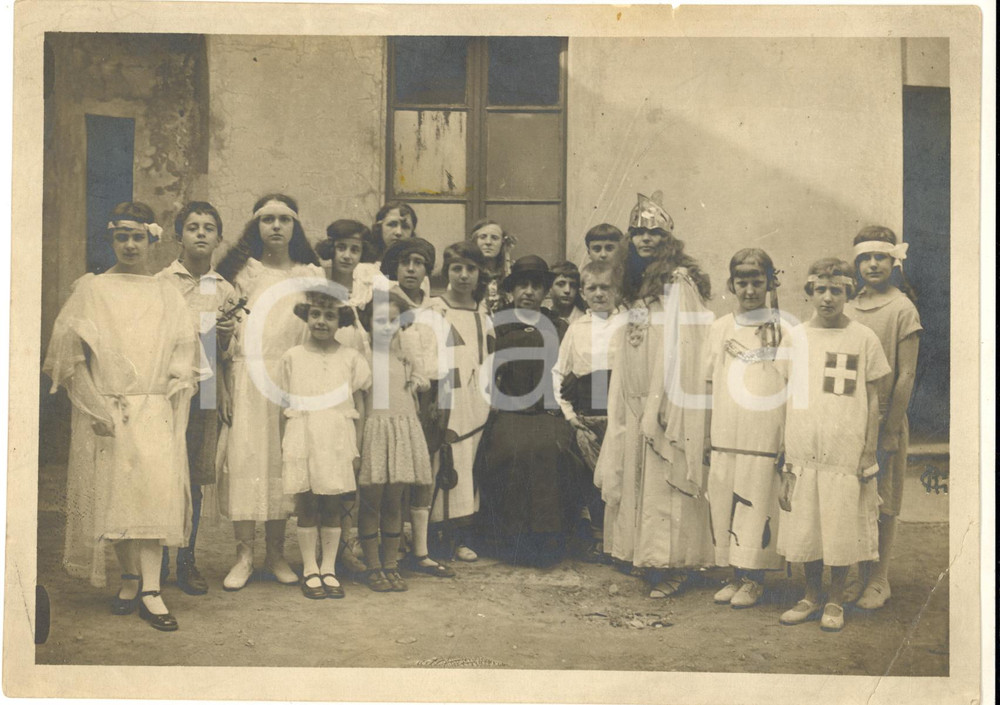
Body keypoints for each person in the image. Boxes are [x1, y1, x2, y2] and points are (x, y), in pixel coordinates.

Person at [43, 201, 199, 631]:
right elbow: (69, 357)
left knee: (152, 494)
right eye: (121, 237)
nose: (130, 245)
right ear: (111, 240)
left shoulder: (166, 293)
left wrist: (173, 384)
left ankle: (152, 588)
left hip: (153, 407)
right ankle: (129, 578)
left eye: (138, 237)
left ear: (152, 240)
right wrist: (93, 405)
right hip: (108, 407)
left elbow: (185, 349)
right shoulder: (92, 290)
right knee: (117, 497)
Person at [594, 192, 715, 598]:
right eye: (638, 233)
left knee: (667, 475)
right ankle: (647, 557)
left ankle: (678, 564)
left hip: (665, 396)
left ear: (668, 239)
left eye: (654, 233)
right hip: (632, 395)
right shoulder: (632, 284)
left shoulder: (678, 281)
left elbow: (687, 345)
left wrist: (667, 400)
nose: (646, 239)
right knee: (636, 475)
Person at [215, 194, 324, 591]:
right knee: (245, 463)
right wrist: (223, 385)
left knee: (282, 464)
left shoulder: (310, 273)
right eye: (268, 220)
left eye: (284, 220)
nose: (276, 227)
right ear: (256, 226)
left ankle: (276, 553)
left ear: (295, 227)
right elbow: (223, 333)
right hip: (247, 378)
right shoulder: (243, 273)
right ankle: (244, 553)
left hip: (290, 380)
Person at [776, 258, 890, 632]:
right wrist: (783, 440)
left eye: (836, 290)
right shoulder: (796, 337)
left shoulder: (863, 338)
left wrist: (868, 448)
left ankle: (836, 599)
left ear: (849, 292)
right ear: (810, 291)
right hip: (804, 447)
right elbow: (787, 393)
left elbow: (873, 399)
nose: (828, 298)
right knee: (807, 524)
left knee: (839, 526)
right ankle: (811, 595)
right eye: (820, 290)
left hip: (845, 450)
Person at [475, 255, 586, 566]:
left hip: (548, 411)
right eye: (522, 285)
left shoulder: (559, 326)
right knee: (511, 449)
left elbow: (573, 366)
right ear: (511, 290)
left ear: (545, 292)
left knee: (551, 450)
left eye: (536, 286)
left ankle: (550, 545)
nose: (529, 292)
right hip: (509, 410)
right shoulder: (498, 324)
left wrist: (572, 384)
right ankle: (509, 544)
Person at [156, 201, 237, 596]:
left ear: (219, 237)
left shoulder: (224, 289)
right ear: (178, 235)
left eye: (209, 227)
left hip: (205, 389)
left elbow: (227, 352)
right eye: (192, 227)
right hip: (168, 388)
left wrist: (222, 334)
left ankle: (186, 558)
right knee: (163, 472)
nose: (201, 233)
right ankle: (158, 560)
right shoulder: (161, 282)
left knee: (196, 474)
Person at [704, 249, 789, 609]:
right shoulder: (721, 328)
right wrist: (708, 432)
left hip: (764, 429)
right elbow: (710, 381)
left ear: (770, 282)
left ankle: (755, 578)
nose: (750, 289)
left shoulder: (786, 329)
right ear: (731, 284)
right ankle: (735, 573)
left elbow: (792, 384)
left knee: (758, 499)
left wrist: (787, 434)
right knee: (726, 497)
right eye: (742, 282)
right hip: (727, 427)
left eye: (757, 281)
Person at [847, 226, 922, 610]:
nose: (872, 264)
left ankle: (878, 579)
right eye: (865, 258)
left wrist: (890, 428)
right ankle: (853, 574)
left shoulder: (902, 309)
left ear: (894, 261)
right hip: (847, 422)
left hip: (884, 418)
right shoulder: (847, 306)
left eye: (880, 257)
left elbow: (906, 374)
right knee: (852, 496)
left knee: (883, 499)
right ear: (856, 263)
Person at [373, 237, 456, 578]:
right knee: (392, 470)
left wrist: (444, 399)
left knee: (425, 470)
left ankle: (420, 550)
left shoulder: (437, 307)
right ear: (396, 266)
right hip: (395, 393)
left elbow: (446, 357)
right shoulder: (386, 301)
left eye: (419, 263)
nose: (411, 269)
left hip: (431, 393)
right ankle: (388, 545)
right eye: (405, 262)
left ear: (427, 269)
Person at [280, 291, 370, 599]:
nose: (321, 321)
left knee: (332, 504)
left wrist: (355, 449)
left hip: (335, 438)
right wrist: (286, 447)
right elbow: (285, 404)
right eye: (316, 314)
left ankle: (328, 567)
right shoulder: (292, 356)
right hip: (303, 435)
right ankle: (310, 569)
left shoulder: (351, 358)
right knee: (307, 504)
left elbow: (358, 405)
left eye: (329, 316)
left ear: (340, 321)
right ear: (306, 316)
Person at [315, 218, 379, 576]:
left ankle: (346, 543)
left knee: (354, 460)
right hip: (326, 379)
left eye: (354, 249)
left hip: (358, 380)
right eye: (341, 248)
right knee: (329, 459)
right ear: (332, 249)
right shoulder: (320, 285)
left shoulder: (367, 289)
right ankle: (326, 544)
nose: (347, 255)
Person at [358, 288, 433, 592]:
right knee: (371, 502)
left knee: (394, 501)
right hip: (375, 432)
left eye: (392, 320)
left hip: (402, 432)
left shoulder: (404, 355)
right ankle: (373, 566)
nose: (386, 327)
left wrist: (416, 380)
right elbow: (361, 401)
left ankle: (391, 564)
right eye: (379, 320)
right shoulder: (364, 357)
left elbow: (423, 378)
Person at [426, 242, 494, 563]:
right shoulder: (435, 309)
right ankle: (434, 535)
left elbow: (488, 360)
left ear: (480, 273)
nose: (464, 275)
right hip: (445, 395)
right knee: (443, 460)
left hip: (475, 399)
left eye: (471, 269)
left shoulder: (483, 315)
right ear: (446, 271)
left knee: (468, 462)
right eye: (457, 268)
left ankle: (462, 536)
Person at [551, 260, 621, 561]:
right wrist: (569, 416)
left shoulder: (629, 323)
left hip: (619, 417)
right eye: (592, 288)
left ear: (617, 290)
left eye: (606, 287)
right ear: (583, 292)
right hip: (587, 417)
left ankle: (622, 543)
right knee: (594, 480)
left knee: (620, 478)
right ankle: (598, 538)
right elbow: (559, 373)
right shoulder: (577, 329)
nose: (599, 294)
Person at [467, 219, 516, 314]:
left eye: (494, 238)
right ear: (475, 241)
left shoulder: (511, 272)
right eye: (483, 237)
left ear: (502, 242)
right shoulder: (465, 272)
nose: (488, 242)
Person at [546, 260, 586, 325]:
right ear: (550, 287)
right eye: (561, 284)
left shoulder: (584, 320)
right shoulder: (544, 317)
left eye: (573, 285)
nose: (567, 290)